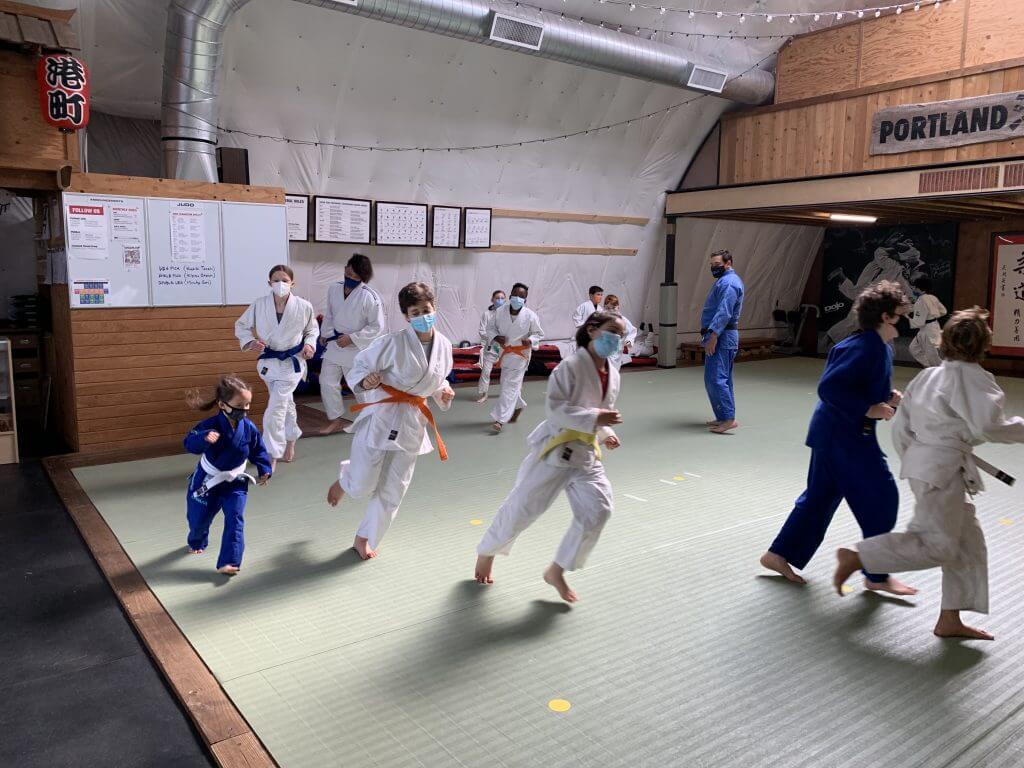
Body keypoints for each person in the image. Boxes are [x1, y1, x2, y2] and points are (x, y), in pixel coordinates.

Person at [834, 308, 1024, 640]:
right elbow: (988, 426)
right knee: (937, 546)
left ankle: (950, 618)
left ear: (945, 340)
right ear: (983, 344)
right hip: (942, 470)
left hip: (926, 464)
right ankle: (860, 556)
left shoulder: (929, 375)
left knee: (969, 544)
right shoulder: (976, 378)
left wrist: (916, 460)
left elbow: (901, 425)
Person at [759, 280, 916, 597]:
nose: (906, 318)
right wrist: (868, 408)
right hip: (845, 438)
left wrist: (887, 398)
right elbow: (830, 389)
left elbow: (854, 386)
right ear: (886, 316)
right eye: (901, 313)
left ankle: (778, 555)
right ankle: (877, 573)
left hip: (833, 435)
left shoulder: (878, 346)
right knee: (882, 498)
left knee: (818, 499)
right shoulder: (865, 347)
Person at [475, 311, 626, 602]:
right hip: (555, 451)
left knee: (599, 509)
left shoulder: (613, 372)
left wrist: (606, 432)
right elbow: (556, 410)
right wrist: (597, 417)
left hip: (586, 455)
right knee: (523, 507)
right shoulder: (568, 368)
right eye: (611, 332)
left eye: (620, 335)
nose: (616, 340)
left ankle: (557, 570)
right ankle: (487, 552)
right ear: (593, 331)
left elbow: (599, 410)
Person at [326, 282, 454, 560]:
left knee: (394, 490)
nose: (422, 315)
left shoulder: (444, 346)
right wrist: (367, 379)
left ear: (435, 308)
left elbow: (435, 379)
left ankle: (365, 537)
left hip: (412, 423)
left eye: (426, 310)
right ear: (406, 316)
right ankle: (346, 479)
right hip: (382, 418)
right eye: (415, 312)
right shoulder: (392, 342)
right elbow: (361, 366)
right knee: (362, 486)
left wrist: (443, 391)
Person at [183, 376, 272, 575]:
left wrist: (264, 468)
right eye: (240, 405)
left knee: (235, 518)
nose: (245, 409)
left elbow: (258, 449)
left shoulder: (248, 427)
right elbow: (189, 443)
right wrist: (204, 438)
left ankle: (229, 562)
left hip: (235, 482)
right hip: (208, 480)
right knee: (199, 519)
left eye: (248, 404)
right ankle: (197, 540)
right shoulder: (210, 425)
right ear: (222, 404)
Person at [235, 265, 318, 469]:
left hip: (292, 364)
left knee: (275, 409)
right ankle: (291, 439)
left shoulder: (304, 306)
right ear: (269, 283)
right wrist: (250, 341)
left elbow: (312, 330)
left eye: (284, 280)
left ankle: (270, 453)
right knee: (285, 404)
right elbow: (241, 325)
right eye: (276, 280)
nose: (280, 284)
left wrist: (309, 344)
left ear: (292, 283)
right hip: (269, 364)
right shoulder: (259, 304)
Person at [319, 254, 387, 435]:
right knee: (326, 381)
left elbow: (377, 326)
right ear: (344, 269)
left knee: (360, 387)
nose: (350, 279)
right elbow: (330, 315)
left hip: (357, 349)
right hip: (335, 346)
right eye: (348, 273)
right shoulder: (334, 289)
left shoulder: (370, 297)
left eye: (356, 277)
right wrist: (325, 334)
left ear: (363, 278)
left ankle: (372, 419)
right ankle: (335, 420)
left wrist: (352, 338)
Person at [487, 283, 544, 433]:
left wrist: (530, 340)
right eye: (515, 294)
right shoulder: (499, 312)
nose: (517, 298)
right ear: (510, 294)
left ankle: (500, 419)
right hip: (505, 353)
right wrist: (496, 337)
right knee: (507, 383)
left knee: (509, 385)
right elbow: (490, 328)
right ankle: (519, 406)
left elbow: (539, 334)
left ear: (525, 299)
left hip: (521, 355)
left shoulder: (531, 315)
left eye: (521, 296)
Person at [701, 250, 744, 434]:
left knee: (717, 379)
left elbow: (724, 312)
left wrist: (714, 335)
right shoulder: (724, 281)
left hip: (723, 336)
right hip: (721, 335)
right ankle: (723, 416)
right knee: (719, 378)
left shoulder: (729, 283)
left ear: (728, 263)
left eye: (717, 264)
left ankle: (728, 418)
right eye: (711, 265)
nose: (713, 268)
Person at [474, 289, 506, 404]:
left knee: (508, 371)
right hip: (491, 347)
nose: (500, 300)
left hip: (505, 348)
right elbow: (482, 331)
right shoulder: (486, 315)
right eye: (497, 298)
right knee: (486, 372)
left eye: (502, 298)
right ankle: (484, 394)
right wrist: (493, 337)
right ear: (492, 299)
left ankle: (508, 393)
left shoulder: (508, 315)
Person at [907, 275, 946, 368]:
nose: (913, 289)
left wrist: (906, 316)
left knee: (932, 356)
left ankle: (941, 372)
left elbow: (918, 322)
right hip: (932, 326)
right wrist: (932, 315)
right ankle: (929, 368)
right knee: (913, 349)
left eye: (914, 287)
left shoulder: (921, 301)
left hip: (928, 331)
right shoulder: (932, 298)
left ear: (919, 288)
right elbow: (943, 311)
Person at [602, 294, 637, 370]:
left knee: (613, 372)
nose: (611, 310)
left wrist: (628, 341)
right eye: (608, 308)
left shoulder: (622, 320)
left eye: (613, 308)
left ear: (618, 307)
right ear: (604, 307)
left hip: (617, 351)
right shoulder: (602, 319)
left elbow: (632, 330)